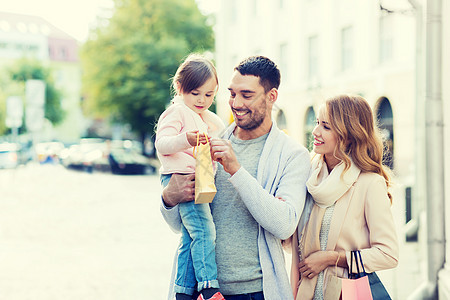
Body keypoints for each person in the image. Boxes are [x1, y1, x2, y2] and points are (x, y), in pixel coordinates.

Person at [161, 55, 311, 300]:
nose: (236, 103)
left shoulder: (293, 155)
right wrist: (168, 198)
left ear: (271, 96)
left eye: (246, 95)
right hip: (201, 291)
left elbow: (284, 225)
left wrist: (236, 170)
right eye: (232, 93)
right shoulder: (211, 139)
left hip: (255, 292)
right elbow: (181, 226)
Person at [289, 94, 399, 299]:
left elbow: (388, 254)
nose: (315, 132)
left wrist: (332, 258)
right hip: (305, 292)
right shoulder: (309, 175)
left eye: (326, 126)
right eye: (317, 123)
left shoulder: (369, 183)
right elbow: (293, 241)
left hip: (347, 293)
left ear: (348, 135)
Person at [155, 53, 226, 300]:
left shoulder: (202, 117)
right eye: (196, 93)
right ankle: (208, 286)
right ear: (180, 87)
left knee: (190, 235)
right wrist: (186, 139)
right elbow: (161, 144)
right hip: (182, 178)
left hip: (195, 178)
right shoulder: (176, 112)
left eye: (209, 95)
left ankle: (184, 291)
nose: (202, 100)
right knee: (205, 231)